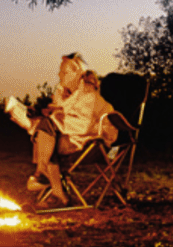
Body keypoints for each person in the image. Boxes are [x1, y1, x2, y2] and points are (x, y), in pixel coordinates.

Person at [6, 52, 115, 207]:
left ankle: (46, 179)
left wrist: (45, 120)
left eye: (64, 72)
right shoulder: (63, 95)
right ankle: (54, 189)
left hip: (97, 144)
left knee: (45, 133)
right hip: (70, 141)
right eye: (60, 71)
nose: (59, 75)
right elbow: (62, 119)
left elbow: (83, 125)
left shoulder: (89, 96)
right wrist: (40, 116)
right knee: (46, 134)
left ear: (78, 73)